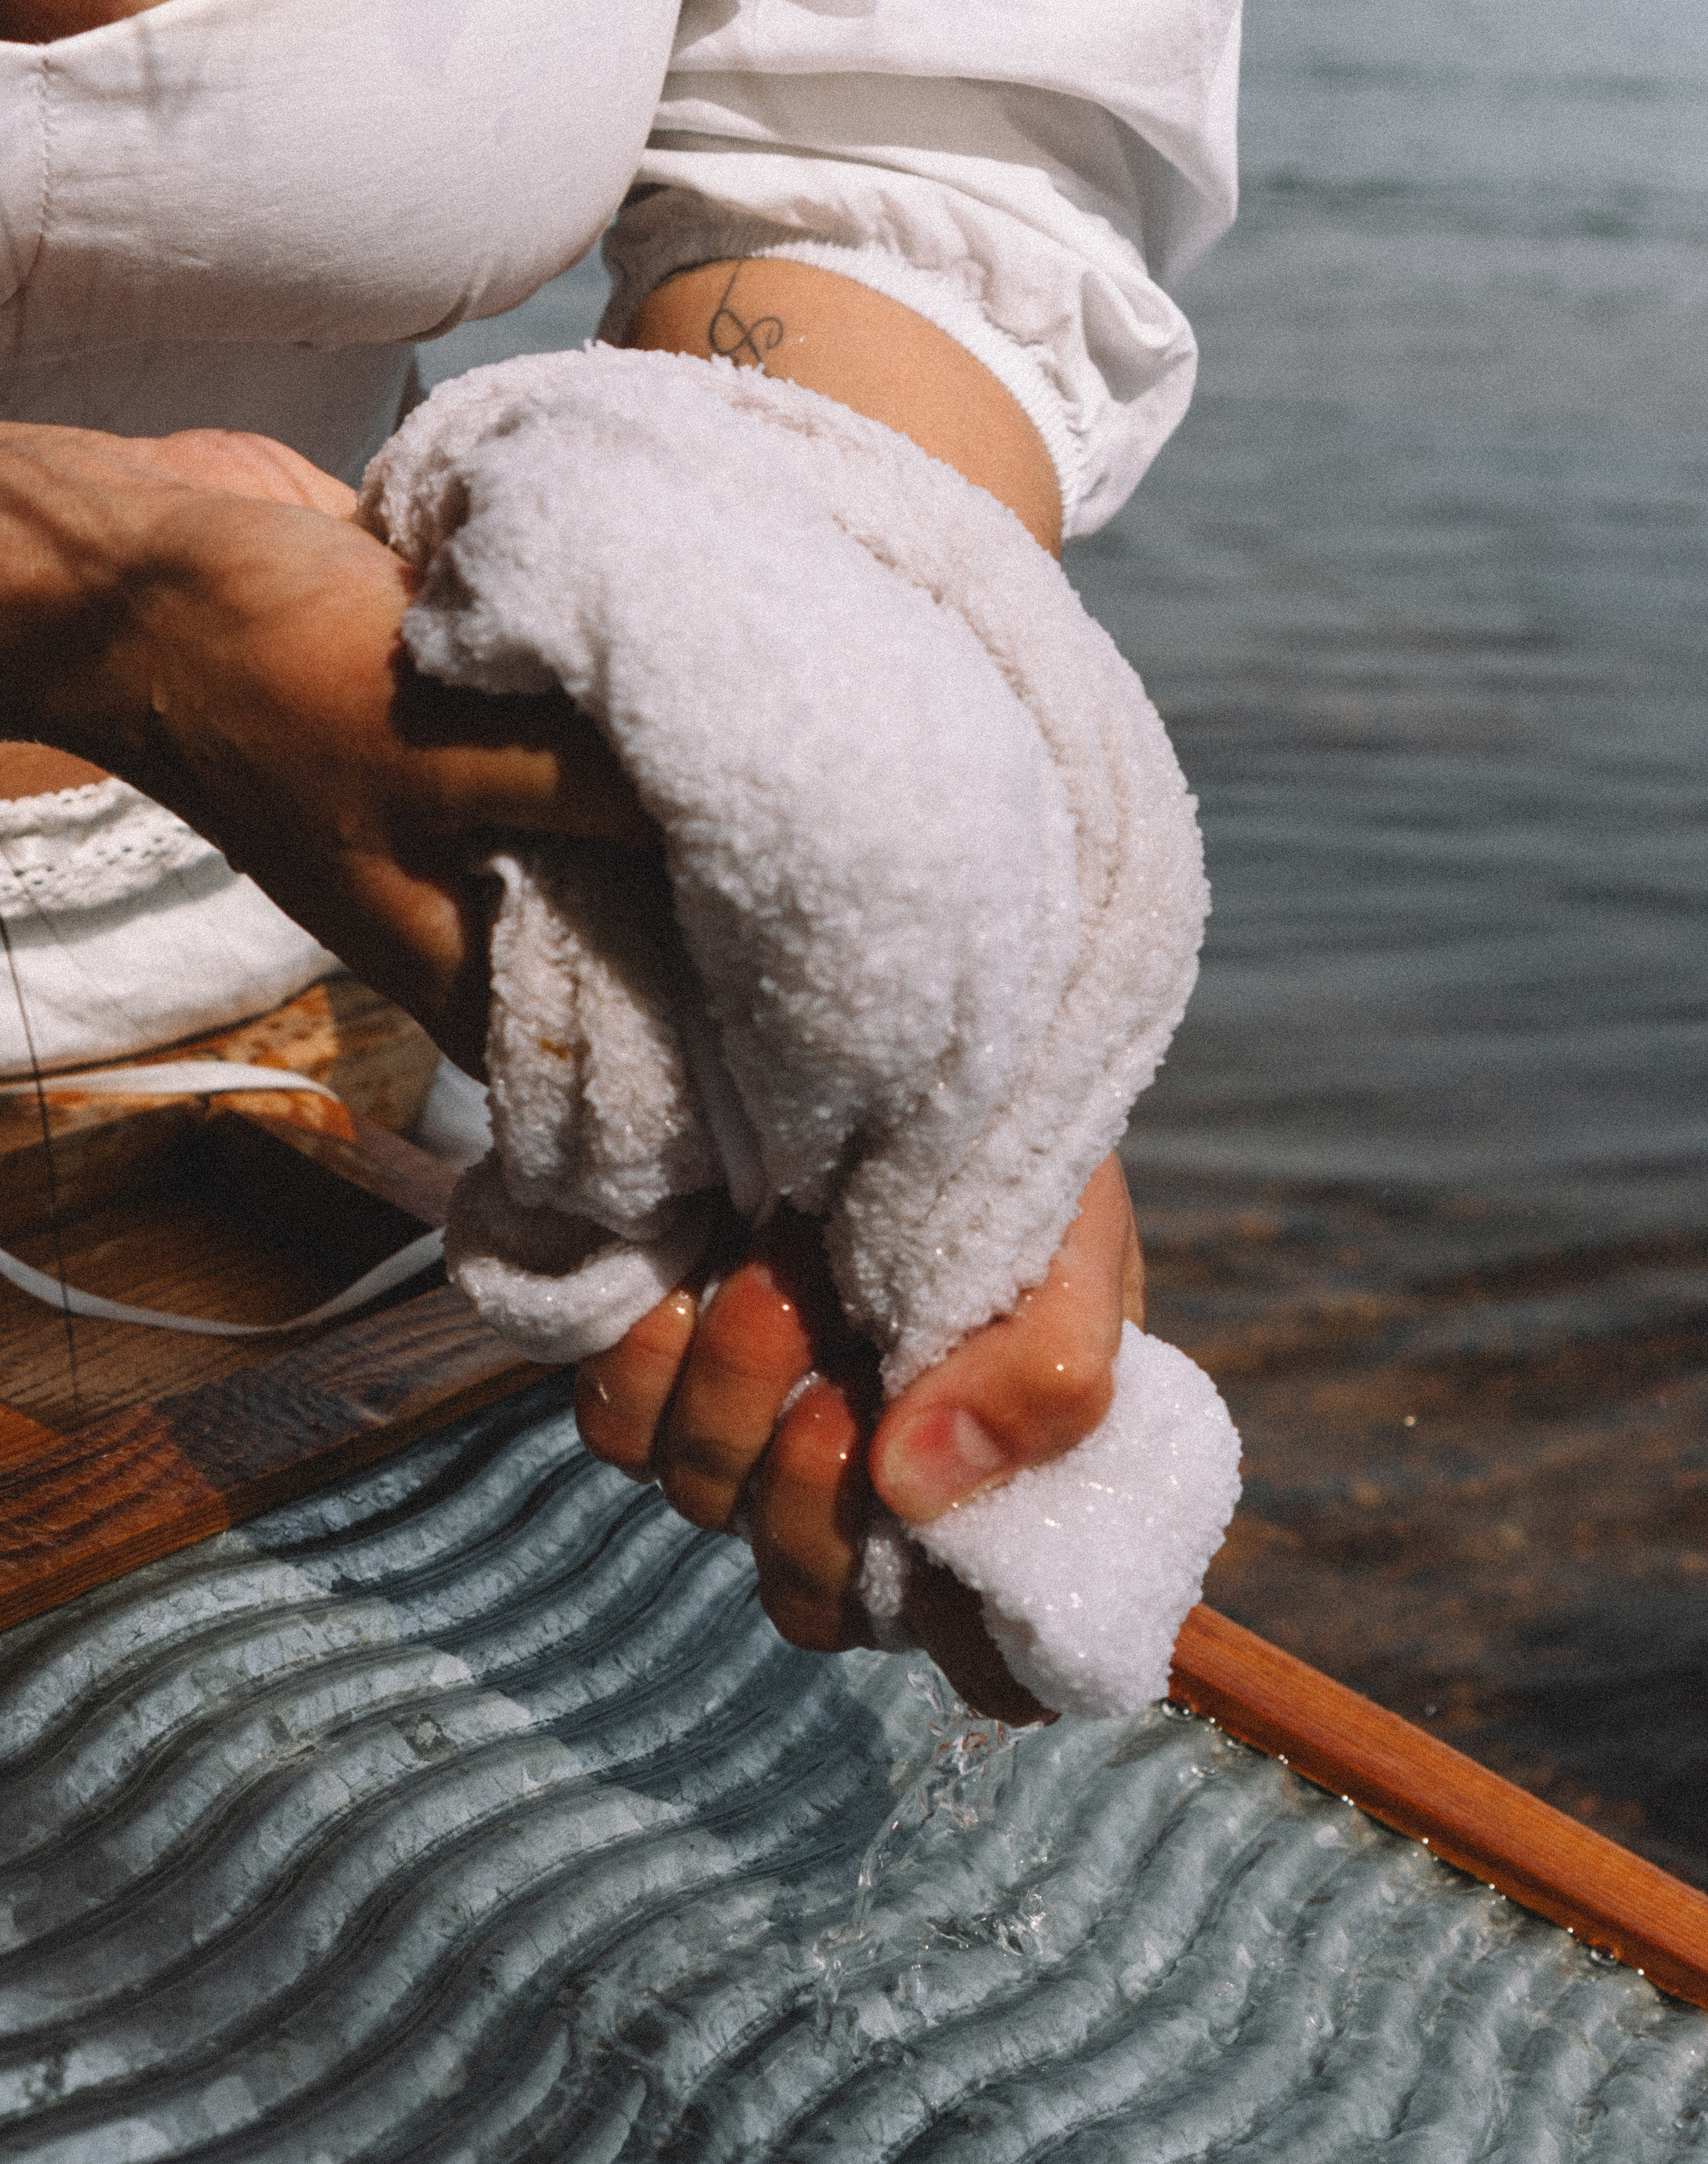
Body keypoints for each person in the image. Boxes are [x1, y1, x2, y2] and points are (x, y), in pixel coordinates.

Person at [0, 0, 1239, 1704]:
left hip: (319, 939)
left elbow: (880, 151)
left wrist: (861, 877)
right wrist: (100, 596)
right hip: (319, 784)